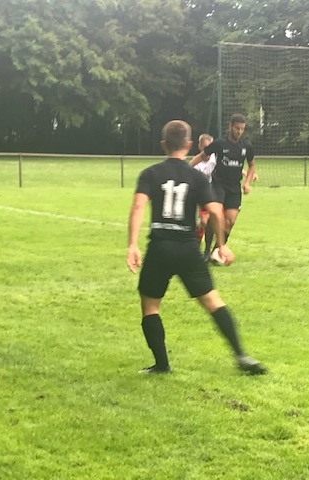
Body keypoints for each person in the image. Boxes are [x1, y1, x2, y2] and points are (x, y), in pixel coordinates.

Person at [127, 119, 266, 375]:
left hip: (159, 247)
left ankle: (161, 365)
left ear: (163, 144)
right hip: (188, 248)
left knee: (150, 307)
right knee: (213, 301)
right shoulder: (198, 177)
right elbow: (215, 211)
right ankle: (241, 355)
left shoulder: (150, 174)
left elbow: (137, 207)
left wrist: (132, 245)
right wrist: (221, 246)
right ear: (189, 144)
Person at [190, 114, 256, 258]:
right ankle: (207, 250)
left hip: (234, 188)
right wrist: (186, 169)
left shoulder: (246, 146)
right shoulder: (220, 143)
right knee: (215, 216)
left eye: (242, 129)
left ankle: (216, 252)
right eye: (237, 128)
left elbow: (251, 165)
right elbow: (201, 156)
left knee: (230, 221)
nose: (239, 131)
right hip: (218, 185)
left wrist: (247, 183)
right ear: (230, 126)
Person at [192, 133, 216, 253]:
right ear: (200, 147)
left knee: (209, 222)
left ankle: (207, 250)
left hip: (214, 194)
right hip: (201, 196)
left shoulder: (215, 159)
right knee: (203, 222)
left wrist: (246, 173)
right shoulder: (196, 164)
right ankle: (196, 247)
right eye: (205, 147)